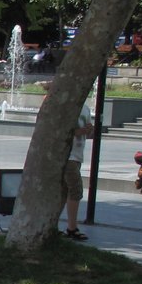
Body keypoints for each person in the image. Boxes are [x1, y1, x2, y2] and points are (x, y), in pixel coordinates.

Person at [61, 97, 91, 240]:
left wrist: (88, 130)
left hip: (77, 155)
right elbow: (61, 131)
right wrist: (78, 131)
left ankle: (69, 226)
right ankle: (72, 227)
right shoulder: (67, 106)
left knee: (67, 190)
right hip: (68, 156)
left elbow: (87, 130)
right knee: (76, 190)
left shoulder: (85, 108)